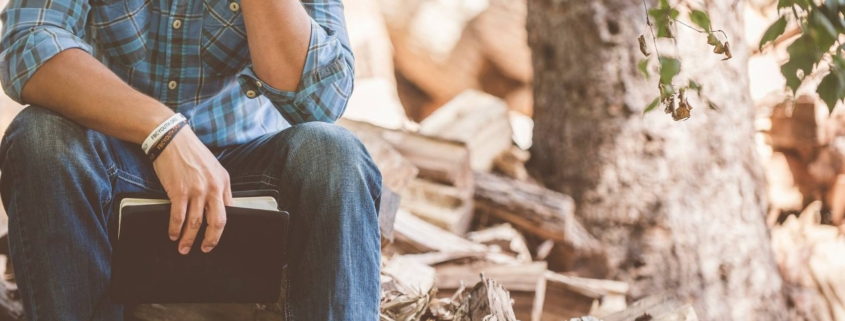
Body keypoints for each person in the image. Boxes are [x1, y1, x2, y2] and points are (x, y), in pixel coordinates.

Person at [0, 0, 382, 318]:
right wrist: (162, 131)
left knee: (335, 155)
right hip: (112, 166)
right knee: (40, 136)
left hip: (247, 182)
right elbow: (27, 44)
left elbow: (323, 99)